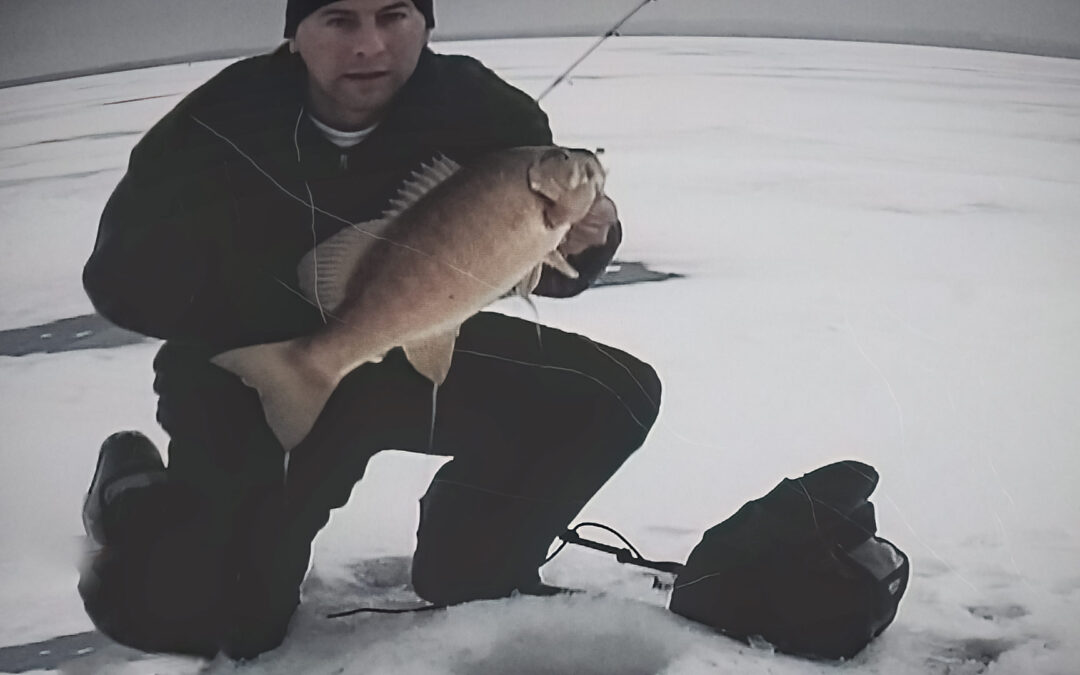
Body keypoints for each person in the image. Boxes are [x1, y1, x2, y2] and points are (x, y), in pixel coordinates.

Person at [78, 0, 661, 661]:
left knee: (611, 397)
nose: (370, 45)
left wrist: (590, 239)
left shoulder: (489, 114)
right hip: (253, 366)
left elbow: (535, 272)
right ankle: (130, 492)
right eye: (339, 20)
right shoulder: (216, 124)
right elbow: (118, 279)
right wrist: (266, 288)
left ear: (426, 23)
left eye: (393, 16)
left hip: (408, 348)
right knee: (215, 621)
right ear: (295, 33)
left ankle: (472, 565)